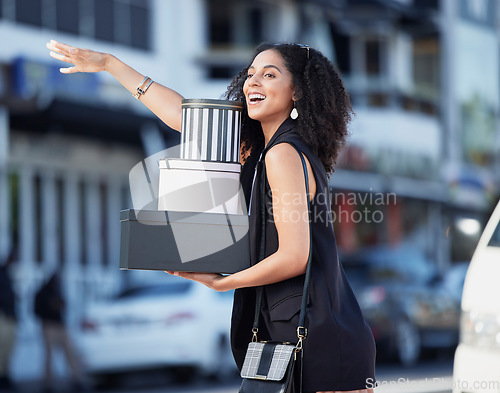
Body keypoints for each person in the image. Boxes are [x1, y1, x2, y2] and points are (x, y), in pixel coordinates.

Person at [46, 39, 376, 393]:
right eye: (251, 75)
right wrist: (110, 64)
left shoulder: (282, 155)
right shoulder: (264, 150)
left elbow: (295, 256)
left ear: (297, 91)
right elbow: (183, 117)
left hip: (319, 341)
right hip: (302, 332)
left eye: (269, 75)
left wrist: (222, 283)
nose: (253, 83)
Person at [34, 273, 86, 393]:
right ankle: (48, 384)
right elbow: (36, 311)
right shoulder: (42, 293)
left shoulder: (57, 291)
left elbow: (63, 306)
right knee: (48, 356)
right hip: (48, 325)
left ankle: (76, 379)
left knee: (70, 352)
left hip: (60, 325)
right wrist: (49, 307)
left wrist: (59, 305)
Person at [0, 249, 18, 392]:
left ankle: (5, 375)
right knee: (2, 346)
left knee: (8, 347)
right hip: (3, 316)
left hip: (9, 316)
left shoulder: (7, 274)